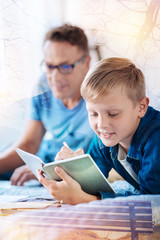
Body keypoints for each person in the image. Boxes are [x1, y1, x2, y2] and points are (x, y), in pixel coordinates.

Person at [38, 57, 160, 205]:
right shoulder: (105, 138)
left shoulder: (155, 138)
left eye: (113, 114)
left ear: (141, 108)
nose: (101, 124)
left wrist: (85, 200)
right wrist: (74, 169)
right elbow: (91, 185)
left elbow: (152, 205)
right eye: (93, 114)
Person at [0, 24, 94, 185]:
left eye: (65, 66)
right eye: (50, 66)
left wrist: (49, 170)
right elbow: (29, 143)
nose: (55, 77)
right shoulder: (43, 86)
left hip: (57, 169)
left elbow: (103, 159)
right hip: (37, 163)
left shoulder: (101, 98)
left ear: (86, 64)